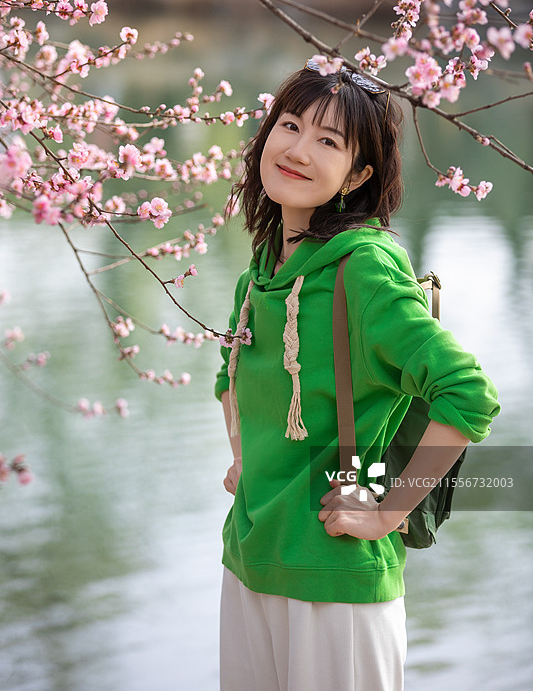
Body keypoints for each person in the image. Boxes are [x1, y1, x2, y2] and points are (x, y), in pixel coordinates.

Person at [214, 59, 500, 691]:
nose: (296, 149)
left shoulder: (364, 272)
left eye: (328, 141)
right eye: (289, 125)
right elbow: (229, 376)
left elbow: (467, 393)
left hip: (334, 582)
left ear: (358, 174)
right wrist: (245, 454)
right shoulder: (259, 273)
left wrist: (386, 514)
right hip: (247, 561)